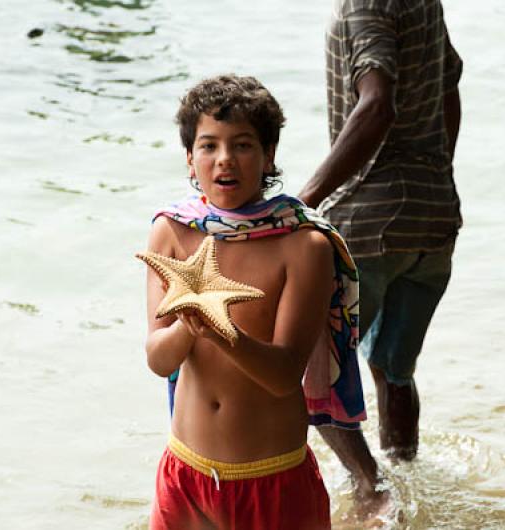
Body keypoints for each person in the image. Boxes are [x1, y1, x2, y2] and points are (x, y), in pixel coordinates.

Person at [143, 74, 369, 530]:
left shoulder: (304, 246)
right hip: (186, 475)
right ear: (190, 158)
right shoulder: (171, 232)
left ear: (268, 156)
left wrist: (220, 329)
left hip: (273, 481)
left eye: (243, 145)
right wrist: (189, 325)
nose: (225, 160)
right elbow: (156, 357)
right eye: (209, 146)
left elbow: (284, 375)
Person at [299, 0, 464, 504]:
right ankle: (408, 480)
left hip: (370, 224)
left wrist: (305, 200)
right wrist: (434, 170)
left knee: (312, 374)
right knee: (394, 370)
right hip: (433, 217)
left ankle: (371, 487)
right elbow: (450, 84)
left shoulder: (363, 4)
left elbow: (377, 103)